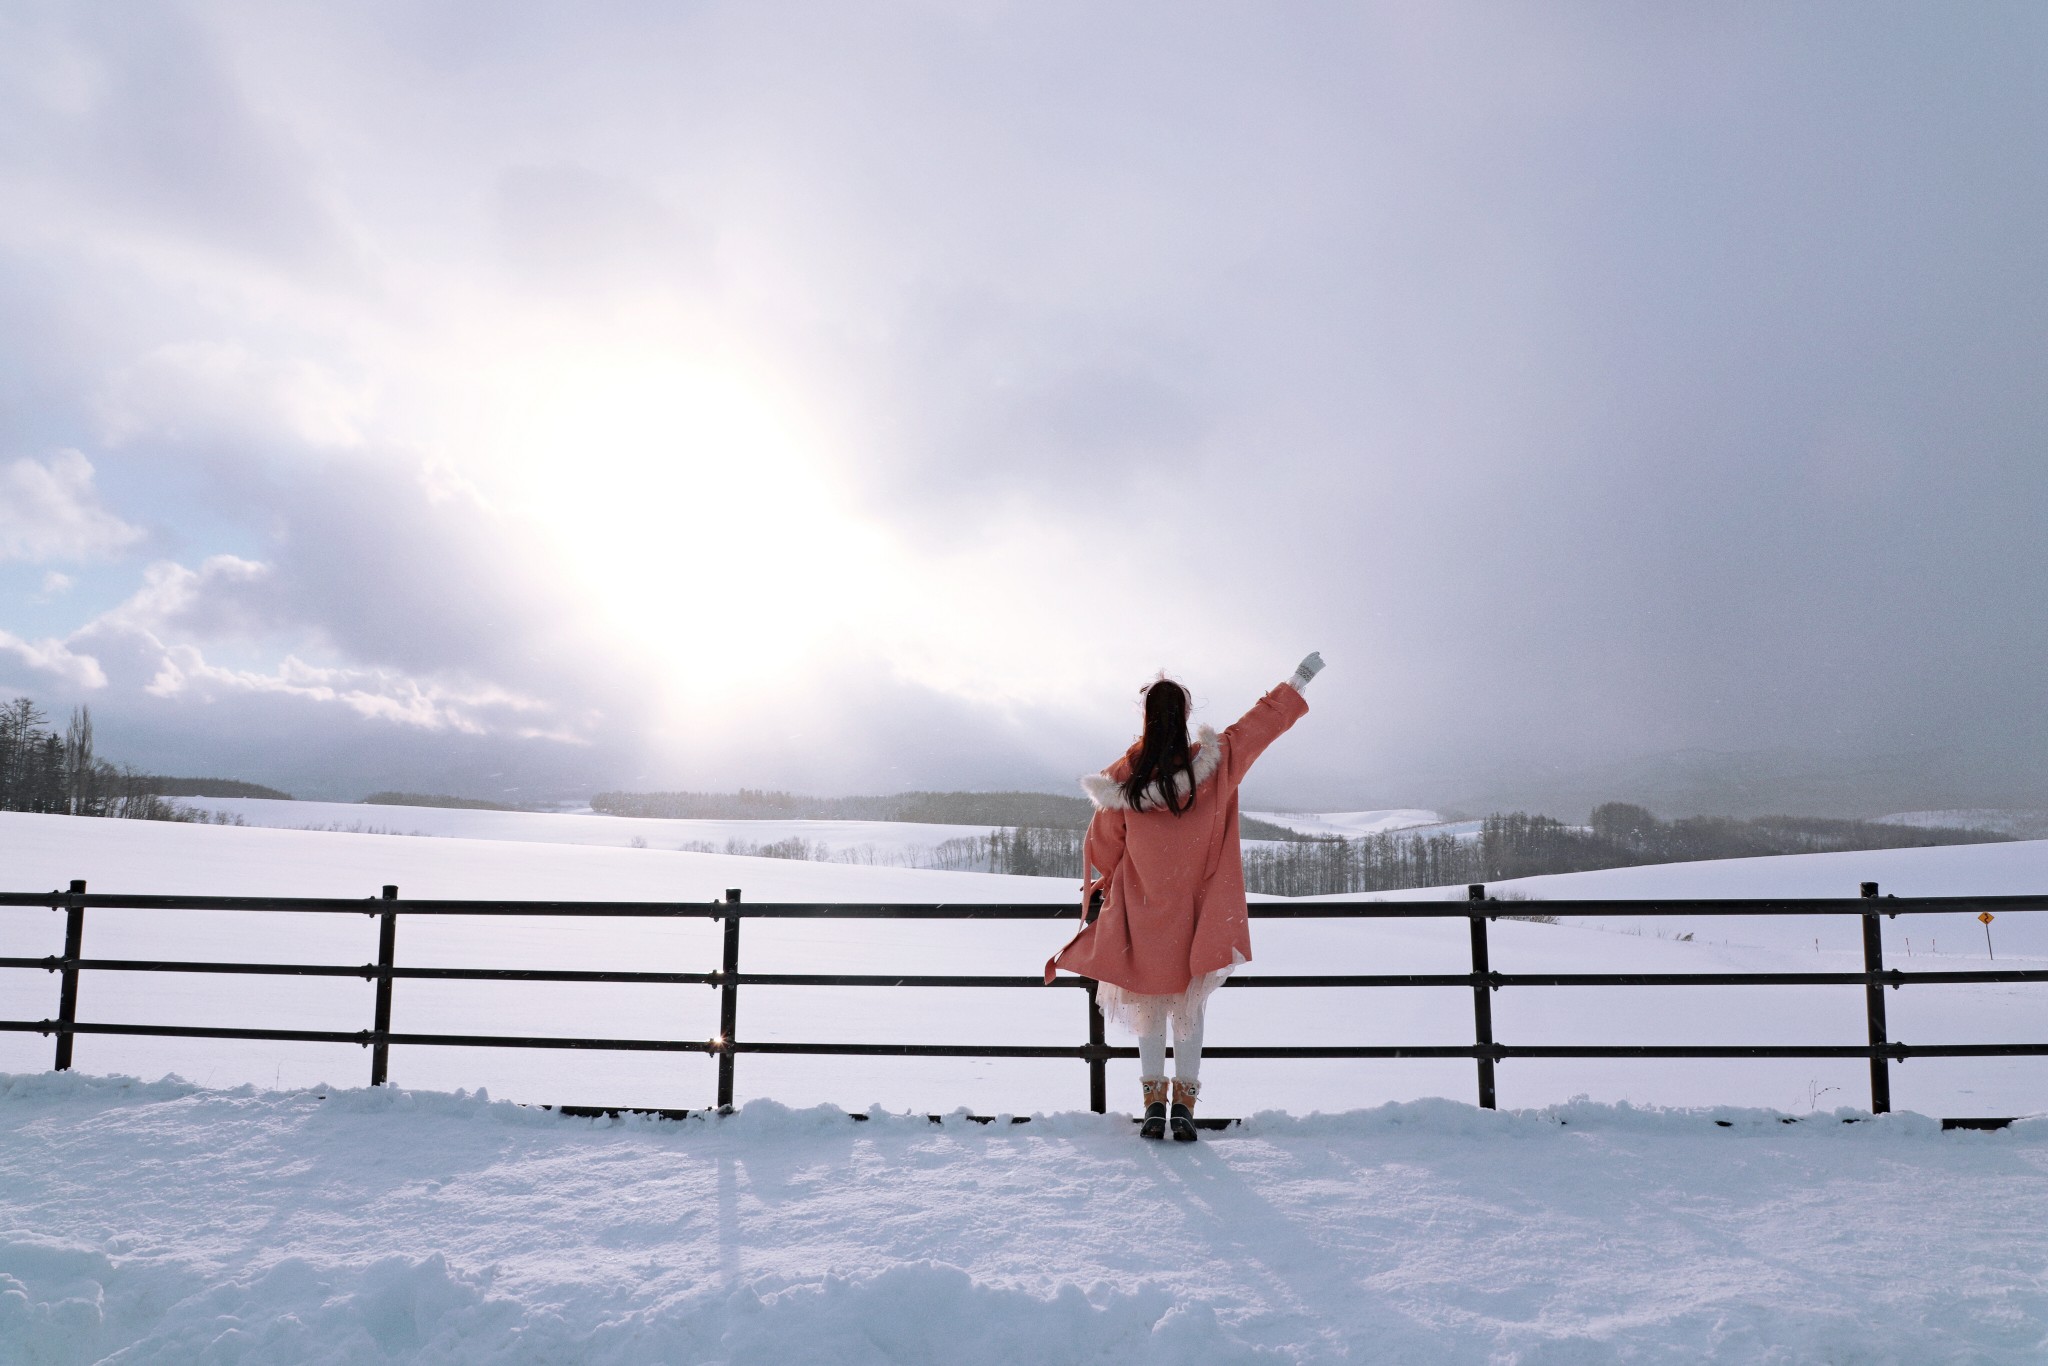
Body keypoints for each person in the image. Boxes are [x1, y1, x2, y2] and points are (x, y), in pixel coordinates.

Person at [1045, 652, 1325, 1140]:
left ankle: (1153, 1103)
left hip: (1141, 913)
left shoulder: (1123, 784)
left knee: (1148, 1006)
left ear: (1147, 719)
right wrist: (1297, 680)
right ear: (1187, 718)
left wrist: (1114, 881)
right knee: (1190, 1010)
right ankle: (1185, 1107)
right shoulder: (1215, 769)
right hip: (1196, 914)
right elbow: (1258, 727)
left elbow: (1104, 848)